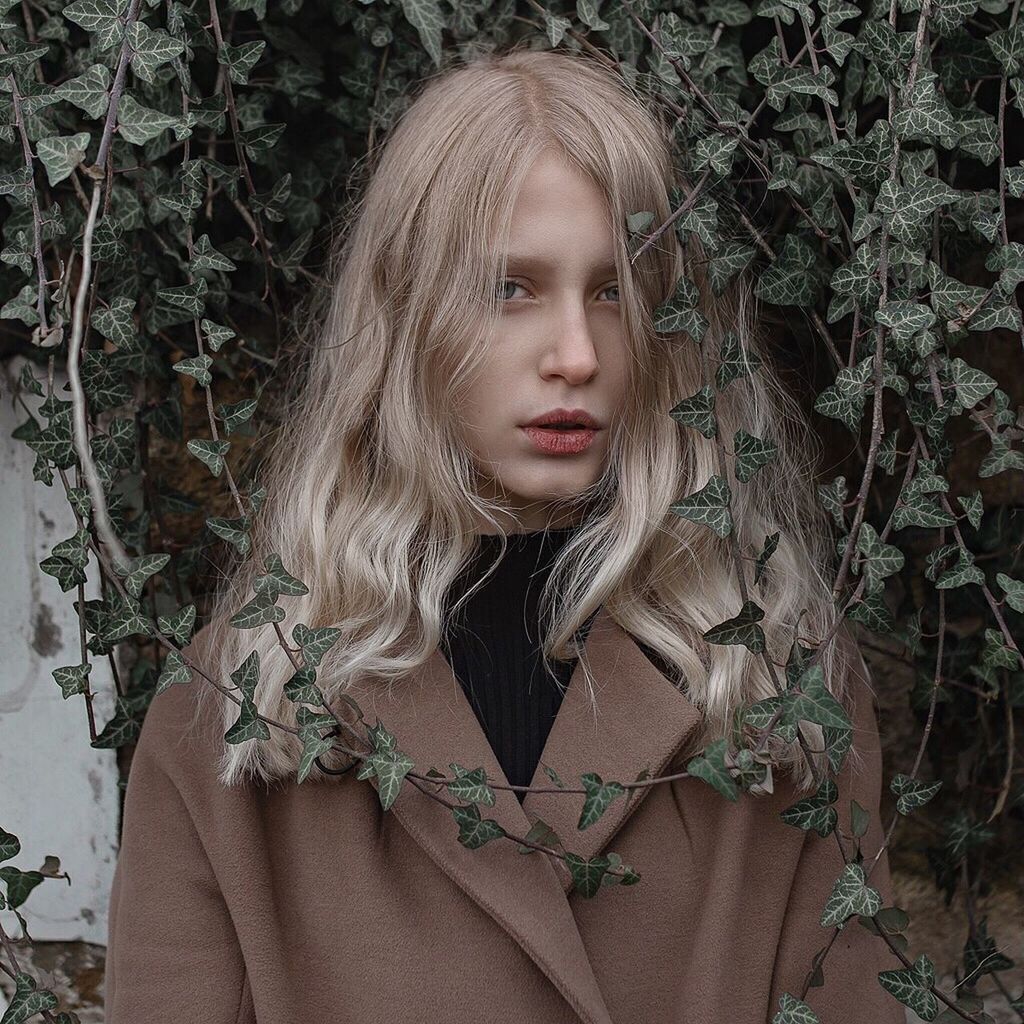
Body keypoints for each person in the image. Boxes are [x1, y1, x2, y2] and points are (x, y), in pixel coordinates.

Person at [104, 43, 905, 1024]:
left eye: (614, 290)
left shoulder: (779, 682)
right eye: (510, 288)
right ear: (407, 319)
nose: (574, 355)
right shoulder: (236, 712)